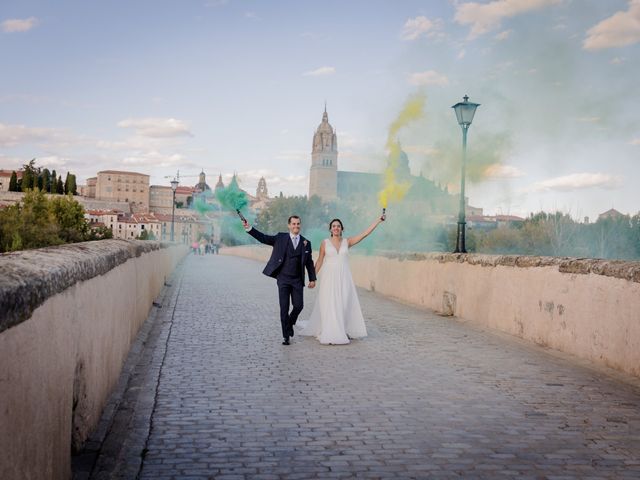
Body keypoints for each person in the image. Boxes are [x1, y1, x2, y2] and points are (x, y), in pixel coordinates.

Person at [298, 214, 385, 345]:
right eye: (334, 226)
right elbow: (320, 260)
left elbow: (364, 234)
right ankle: (330, 330)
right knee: (329, 303)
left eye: (338, 226)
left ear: (341, 229)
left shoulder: (347, 242)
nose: (336, 228)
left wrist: (378, 220)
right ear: (330, 229)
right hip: (329, 278)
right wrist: (312, 278)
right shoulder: (325, 243)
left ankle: (342, 329)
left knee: (344, 303)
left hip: (344, 278)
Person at [243, 216, 316, 345]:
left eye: (298, 224)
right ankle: (286, 336)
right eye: (293, 224)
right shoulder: (280, 238)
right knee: (284, 308)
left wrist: (312, 278)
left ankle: (289, 322)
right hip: (283, 279)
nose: (296, 226)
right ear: (289, 225)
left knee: (299, 306)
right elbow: (263, 238)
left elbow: (309, 263)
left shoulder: (306, 243)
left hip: (297, 280)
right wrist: (250, 228)